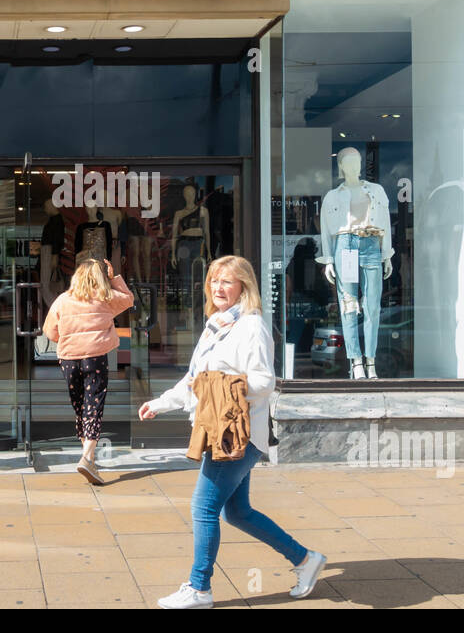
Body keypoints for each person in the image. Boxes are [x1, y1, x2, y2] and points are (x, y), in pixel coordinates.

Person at [139, 255, 326, 608]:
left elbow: (264, 382)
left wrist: (223, 384)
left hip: (236, 437)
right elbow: (196, 379)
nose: (218, 287)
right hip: (220, 432)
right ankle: (305, 560)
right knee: (236, 512)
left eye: (227, 281)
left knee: (203, 507)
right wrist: (161, 403)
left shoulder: (251, 326)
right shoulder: (219, 324)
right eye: (214, 281)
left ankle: (199, 589)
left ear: (244, 286)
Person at [43, 258, 134, 485]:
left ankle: (89, 456)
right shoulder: (105, 297)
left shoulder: (63, 300)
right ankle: (87, 456)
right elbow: (129, 300)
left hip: (69, 359)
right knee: (94, 405)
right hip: (95, 357)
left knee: (80, 406)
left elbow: (49, 331)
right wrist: (114, 278)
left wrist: (67, 340)